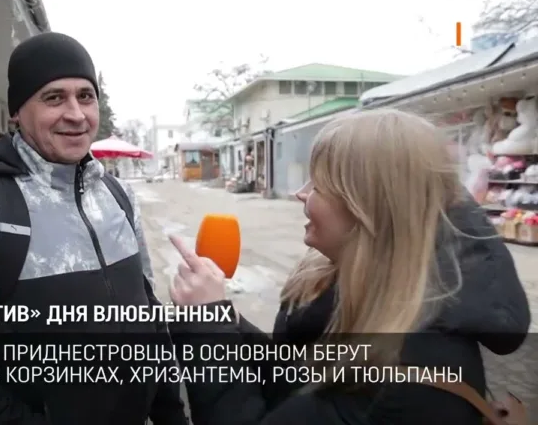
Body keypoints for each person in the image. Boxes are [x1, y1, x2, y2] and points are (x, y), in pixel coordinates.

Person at [166, 109, 531, 425]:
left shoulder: (404, 382)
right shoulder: (377, 301)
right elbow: (293, 379)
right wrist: (223, 321)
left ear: (368, 208)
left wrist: (204, 328)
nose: (300, 193)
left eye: (319, 184)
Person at [0, 32, 187, 425]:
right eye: (54, 98)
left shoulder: (118, 196)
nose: (76, 114)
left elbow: (149, 319)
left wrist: (172, 413)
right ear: (17, 112)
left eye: (85, 96)